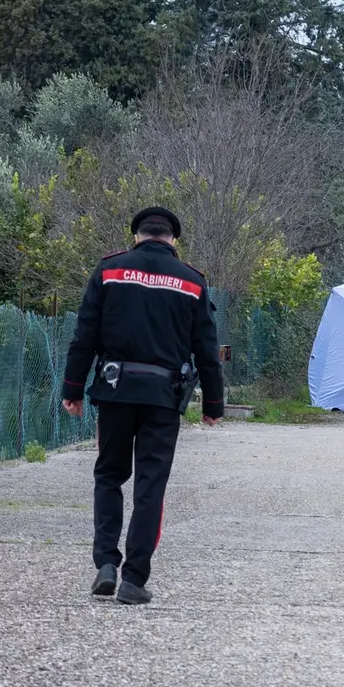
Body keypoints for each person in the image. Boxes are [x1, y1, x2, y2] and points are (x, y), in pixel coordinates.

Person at [61, 207, 223, 606]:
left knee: (109, 476)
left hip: (114, 392)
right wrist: (214, 404)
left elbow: (85, 335)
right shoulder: (192, 281)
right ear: (173, 240)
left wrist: (73, 388)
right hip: (163, 398)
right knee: (150, 486)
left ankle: (105, 565)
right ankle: (134, 579)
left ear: (136, 236)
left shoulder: (110, 270)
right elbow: (206, 348)